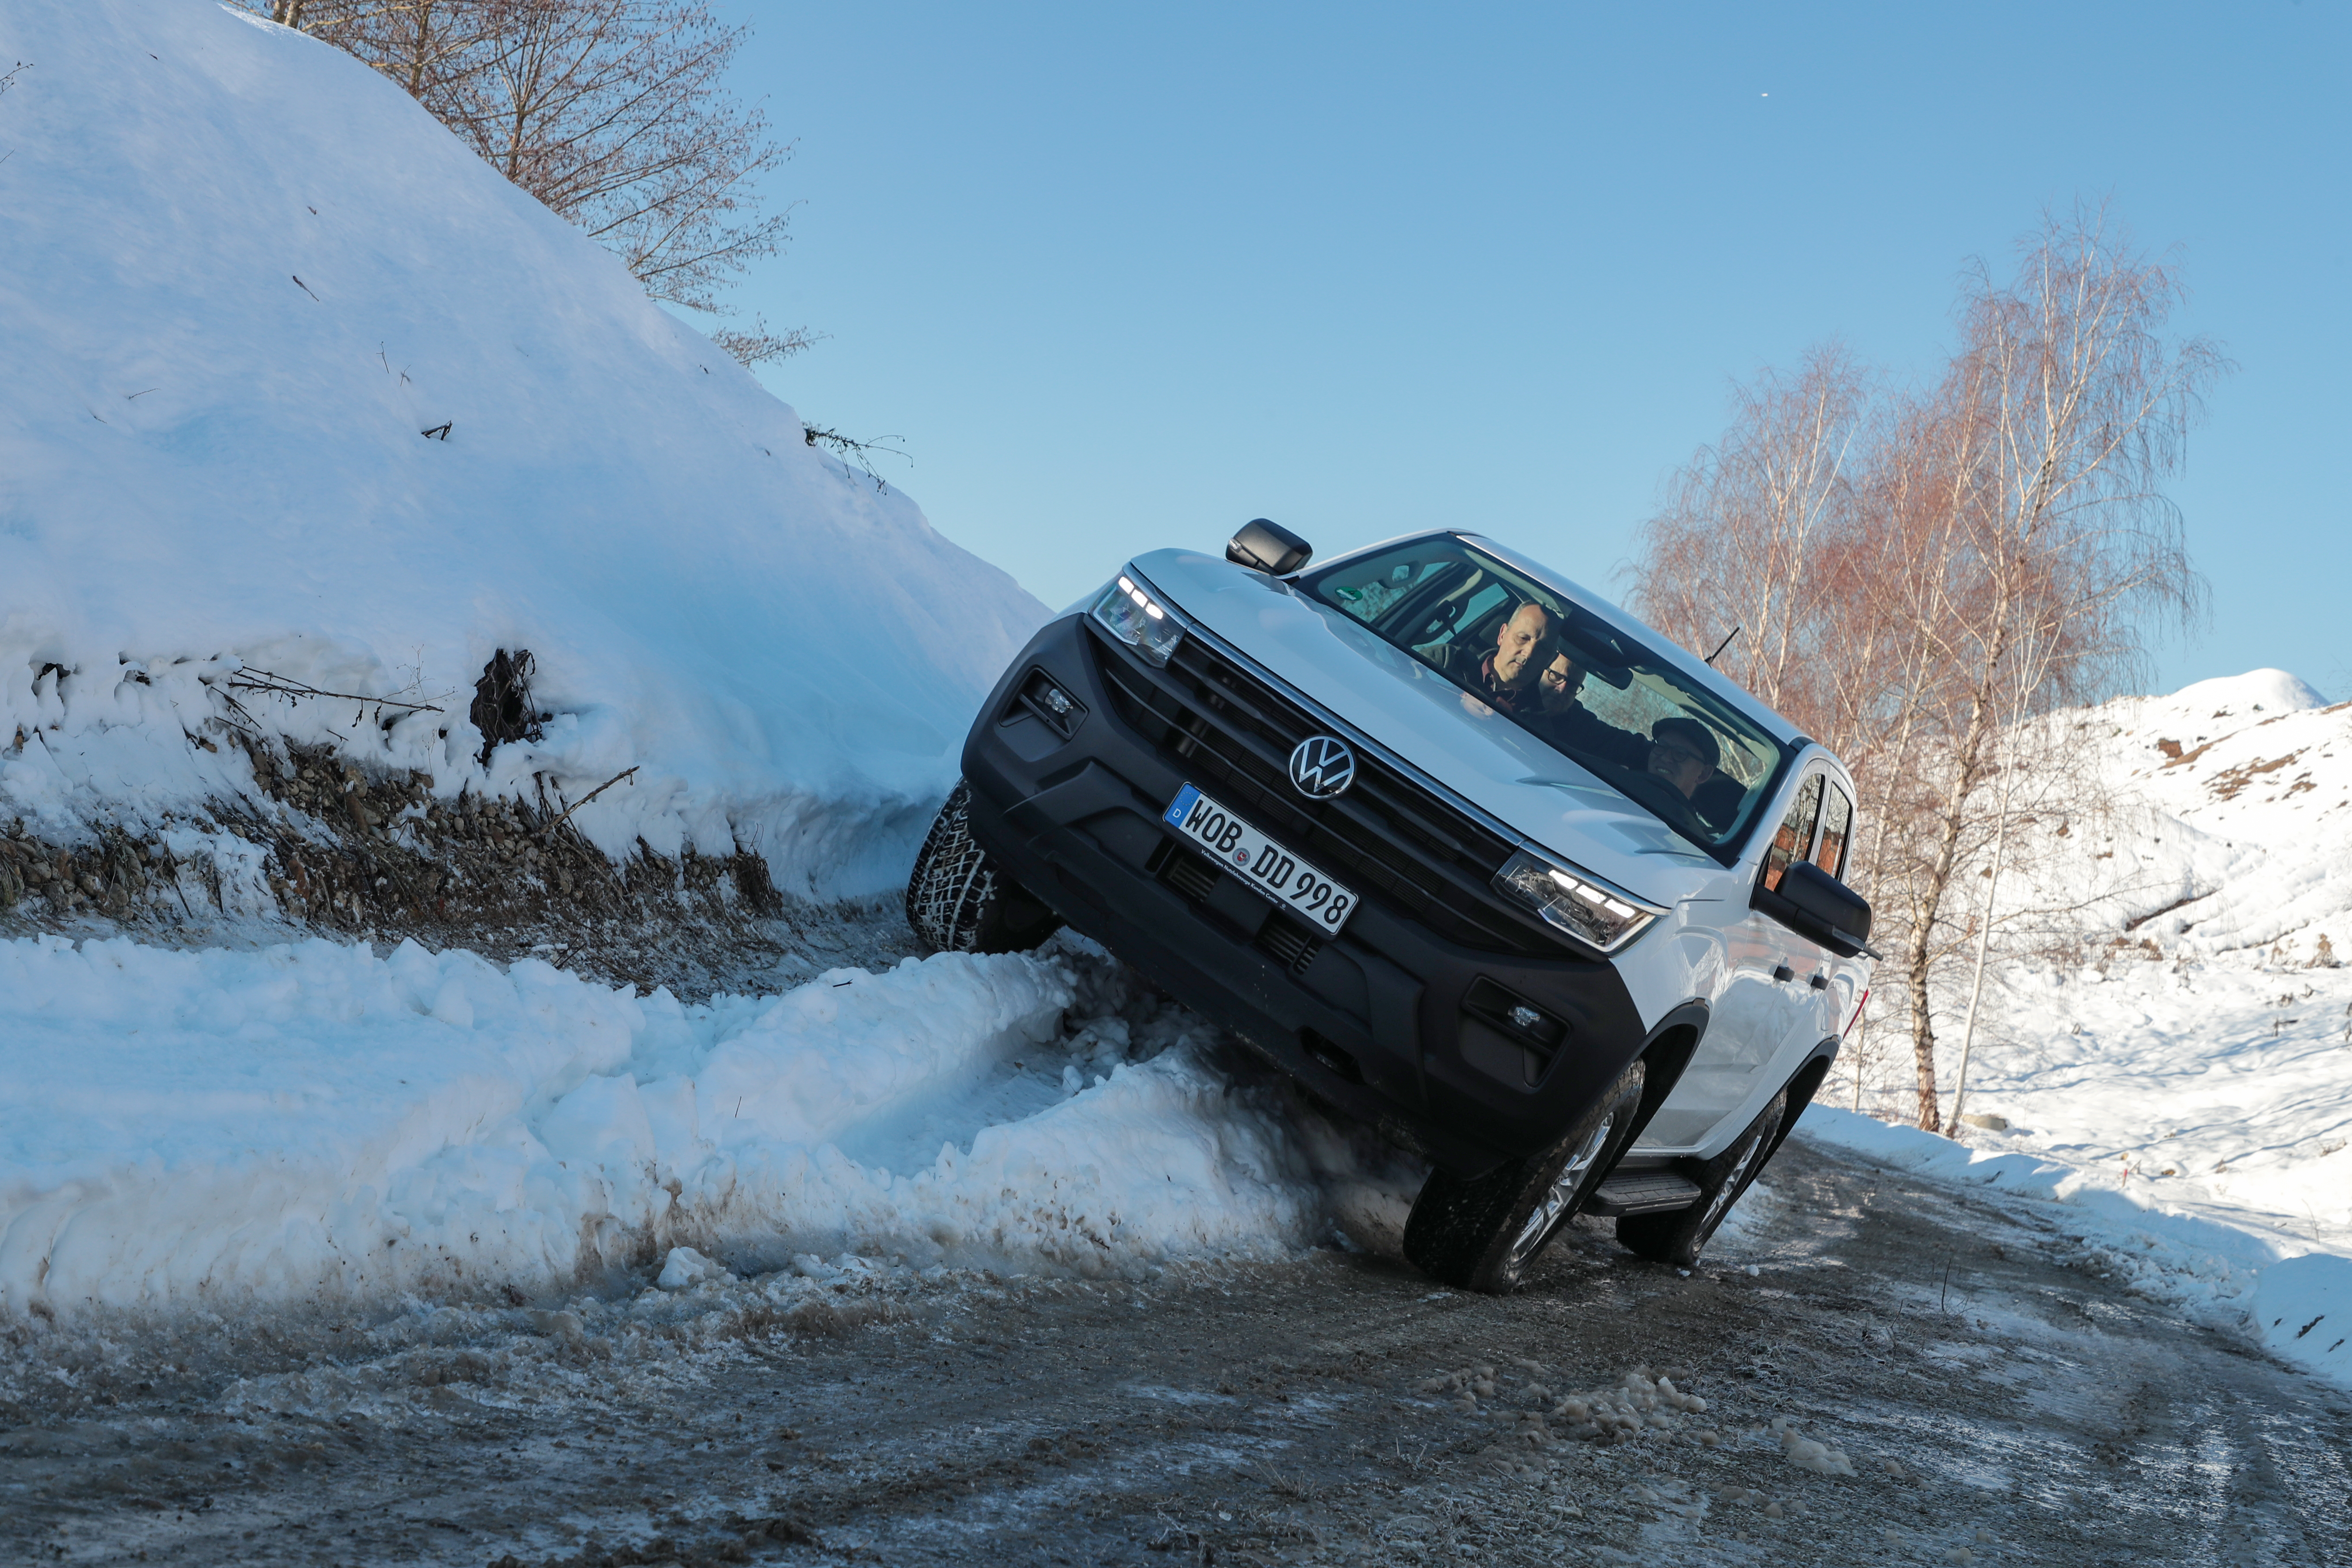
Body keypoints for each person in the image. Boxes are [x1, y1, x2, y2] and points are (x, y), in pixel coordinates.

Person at [1413, 601, 1553, 717]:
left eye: (1543, 648)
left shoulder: (1538, 723)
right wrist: (1459, 699)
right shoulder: (1448, 660)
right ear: (1502, 635)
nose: (1529, 653)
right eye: (1523, 638)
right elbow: (1404, 684)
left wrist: (1506, 724)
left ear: (1549, 660)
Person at [1644, 716, 1720, 801]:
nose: (1665, 758)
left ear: (1703, 774)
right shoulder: (1626, 789)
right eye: (1661, 746)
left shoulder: (1683, 815)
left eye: (1680, 754)